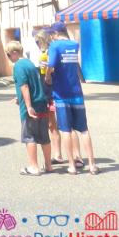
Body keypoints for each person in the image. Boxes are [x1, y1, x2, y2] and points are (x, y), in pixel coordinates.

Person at [47, 21, 99, 175]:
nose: (51, 36)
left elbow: (51, 64)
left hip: (61, 93)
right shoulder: (75, 44)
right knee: (83, 129)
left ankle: (71, 165)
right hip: (76, 91)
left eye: (51, 34)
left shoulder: (54, 46)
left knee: (65, 129)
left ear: (56, 34)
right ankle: (92, 164)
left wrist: (48, 76)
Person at [34, 29, 83, 168]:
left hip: (57, 91)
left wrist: (48, 70)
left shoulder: (54, 49)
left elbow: (58, 69)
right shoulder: (44, 52)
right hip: (48, 92)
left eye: (37, 42)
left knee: (68, 126)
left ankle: (77, 157)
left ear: (42, 40)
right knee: (52, 125)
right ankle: (58, 155)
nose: (37, 44)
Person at [5, 41, 52, 176]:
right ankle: (48, 165)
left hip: (31, 105)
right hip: (41, 101)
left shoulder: (18, 66)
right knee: (44, 135)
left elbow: (24, 86)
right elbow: (33, 84)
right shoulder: (29, 63)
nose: (9, 58)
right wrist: (19, 98)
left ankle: (34, 167)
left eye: (8, 55)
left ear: (15, 53)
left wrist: (28, 105)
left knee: (30, 135)